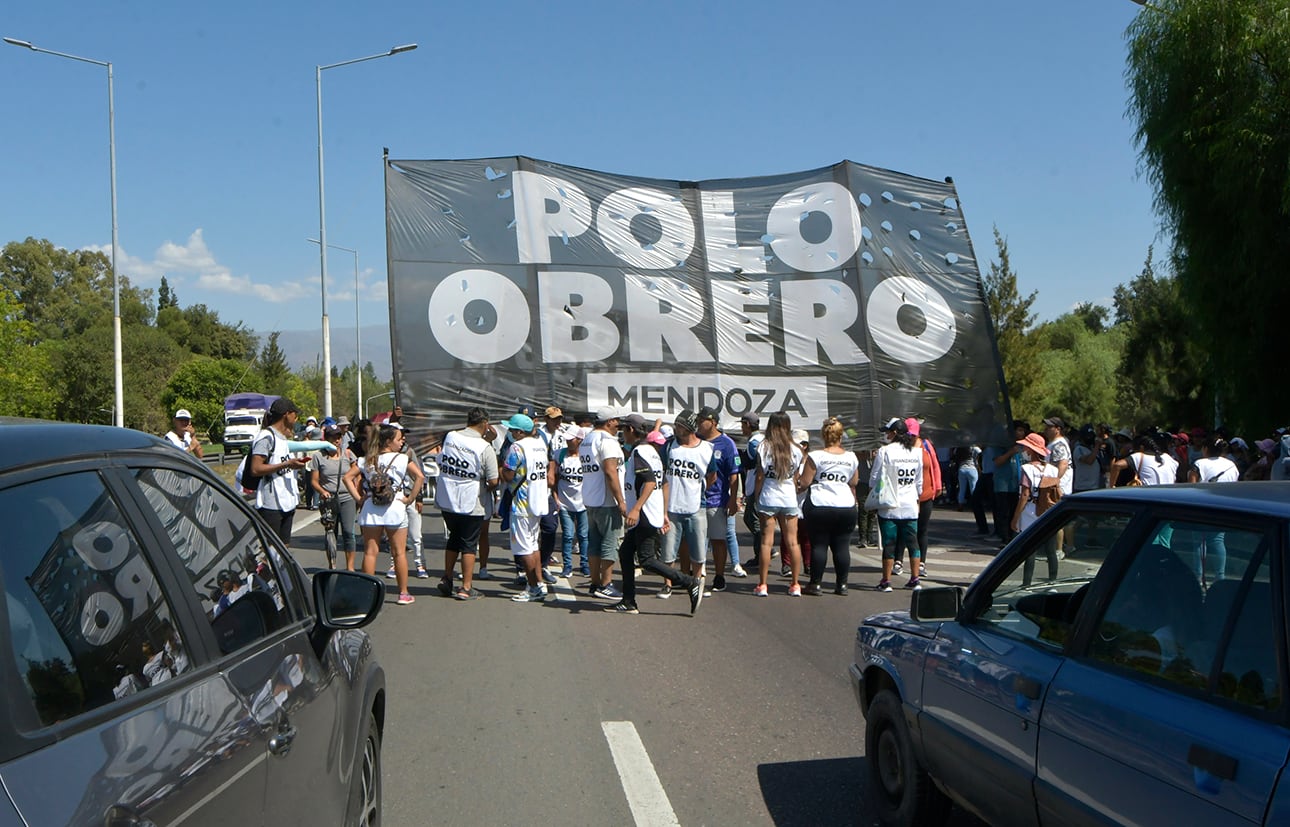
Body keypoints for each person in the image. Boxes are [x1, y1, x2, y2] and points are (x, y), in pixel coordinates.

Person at [604, 420, 703, 614]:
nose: (623, 434)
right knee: (625, 553)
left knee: (647, 559)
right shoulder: (652, 453)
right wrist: (664, 512)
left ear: (631, 430)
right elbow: (664, 483)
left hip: (645, 515)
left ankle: (690, 582)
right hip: (652, 512)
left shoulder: (640, 452)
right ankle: (629, 601)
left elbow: (649, 482)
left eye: (624, 429)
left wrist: (636, 509)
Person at [344, 423, 423, 606]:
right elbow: (419, 476)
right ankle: (403, 593)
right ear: (388, 441)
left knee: (370, 552)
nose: (401, 441)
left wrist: (359, 498)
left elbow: (347, 478)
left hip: (371, 507)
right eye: (398, 439)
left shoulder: (367, 460)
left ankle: (368, 593)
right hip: (395, 507)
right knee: (399, 553)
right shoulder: (402, 458)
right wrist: (410, 498)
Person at [434, 407, 499, 600]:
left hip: (447, 496)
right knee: (469, 544)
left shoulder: (451, 436)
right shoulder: (484, 447)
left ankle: (447, 578)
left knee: (454, 538)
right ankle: (466, 587)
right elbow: (494, 480)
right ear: (485, 424)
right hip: (471, 500)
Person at [801, 416, 859, 595]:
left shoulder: (816, 456)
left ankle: (815, 584)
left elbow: (805, 482)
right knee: (842, 546)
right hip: (846, 504)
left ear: (824, 436)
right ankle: (842, 585)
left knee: (819, 545)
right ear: (841, 436)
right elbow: (854, 481)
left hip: (821, 503)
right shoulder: (851, 457)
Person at [660, 409, 716, 594]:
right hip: (671, 506)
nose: (677, 428)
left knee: (699, 550)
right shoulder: (669, 447)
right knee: (668, 550)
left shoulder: (706, 449)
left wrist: (699, 490)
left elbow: (712, 476)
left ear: (690, 427)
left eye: (680, 425)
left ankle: (697, 583)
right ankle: (667, 584)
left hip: (696, 505)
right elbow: (661, 473)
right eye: (676, 425)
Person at [501, 414, 555, 603]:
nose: (510, 433)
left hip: (522, 504)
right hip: (538, 501)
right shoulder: (540, 443)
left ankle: (533, 587)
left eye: (512, 429)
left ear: (519, 432)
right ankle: (539, 583)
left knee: (524, 549)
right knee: (533, 545)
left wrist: (500, 469)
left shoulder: (517, 447)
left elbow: (508, 474)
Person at [751, 412, 806, 596]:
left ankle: (763, 585)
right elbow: (796, 476)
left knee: (766, 543)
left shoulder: (764, 447)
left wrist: (756, 496)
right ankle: (795, 584)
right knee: (793, 541)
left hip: (769, 495)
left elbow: (759, 475)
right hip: (789, 496)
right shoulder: (796, 449)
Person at [248, 397, 310, 545]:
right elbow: (255, 469)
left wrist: (293, 465)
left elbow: (282, 464)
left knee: (283, 548)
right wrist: (287, 464)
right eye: (295, 414)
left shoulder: (282, 438)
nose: (296, 418)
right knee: (270, 550)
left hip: (286, 501)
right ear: (286, 414)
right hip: (271, 505)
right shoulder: (266, 437)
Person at [872, 418, 923, 591]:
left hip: (889, 505)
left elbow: (874, 480)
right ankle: (915, 578)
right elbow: (919, 482)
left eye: (887, 432)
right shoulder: (916, 452)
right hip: (910, 503)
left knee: (889, 543)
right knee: (912, 542)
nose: (886, 435)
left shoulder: (884, 451)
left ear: (894, 433)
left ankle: (886, 581)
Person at [580, 407, 627, 600]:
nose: (618, 425)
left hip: (590, 498)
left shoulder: (587, 439)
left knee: (594, 543)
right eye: (616, 421)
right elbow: (610, 471)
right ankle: (606, 584)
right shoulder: (608, 441)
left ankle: (595, 583)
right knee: (610, 543)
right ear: (608, 422)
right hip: (607, 501)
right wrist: (621, 500)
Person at [696, 408, 743, 591]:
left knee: (717, 540)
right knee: (695, 541)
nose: (699, 423)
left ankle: (719, 576)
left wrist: (733, 499)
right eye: (698, 420)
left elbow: (734, 474)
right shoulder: (695, 440)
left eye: (702, 420)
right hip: (695, 500)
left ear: (713, 422)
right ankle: (695, 576)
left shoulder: (727, 444)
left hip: (717, 500)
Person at [1011, 431, 1060, 585]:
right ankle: (1052, 581)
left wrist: (1015, 518)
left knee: (1030, 551)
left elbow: (1024, 495)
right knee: (1050, 550)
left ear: (1031, 450)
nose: (1024, 451)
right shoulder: (1053, 469)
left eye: (1026, 448)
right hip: (1048, 510)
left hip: (1030, 511)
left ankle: (1026, 584)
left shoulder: (1027, 469)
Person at [1188, 436, 1239, 582]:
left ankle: (1198, 576)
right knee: (1217, 540)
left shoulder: (1199, 463)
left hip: (1203, 506)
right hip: (1225, 506)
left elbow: (1192, 486)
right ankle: (1220, 576)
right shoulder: (1231, 465)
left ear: (1205, 449)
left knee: (1199, 541)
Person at [311, 425, 358, 569]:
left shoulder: (348, 454)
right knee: (331, 533)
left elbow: (357, 473)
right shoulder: (318, 456)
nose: (336, 440)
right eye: (333, 437)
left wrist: (357, 492)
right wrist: (322, 491)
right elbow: (314, 481)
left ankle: (350, 566)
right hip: (329, 500)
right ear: (326, 438)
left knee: (349, 532)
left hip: (347, 498)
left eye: (338, 437)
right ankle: (332, 564)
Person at [554, 425, 590, 578]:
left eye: (572, 439)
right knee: (568, 535)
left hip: (583, 503)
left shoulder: (586, 456)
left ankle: (585, 565)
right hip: (564, 503)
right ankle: (567, 566)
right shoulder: (559, 455)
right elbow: (553, 479)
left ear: (580, 440)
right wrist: (556, 498)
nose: (569, 442)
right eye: (567, 439)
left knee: (583, 535)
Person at [908, 418, 941, 580]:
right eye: (909, 434)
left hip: (926, 494)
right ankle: (899, 561)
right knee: (906, 530)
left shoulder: (926, 446)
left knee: (922, 529)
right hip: (907, 496)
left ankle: (922, 563)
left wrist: (938, 486)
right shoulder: (903, 448)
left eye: (914, 434)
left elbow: (935, 466)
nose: (912, 437)